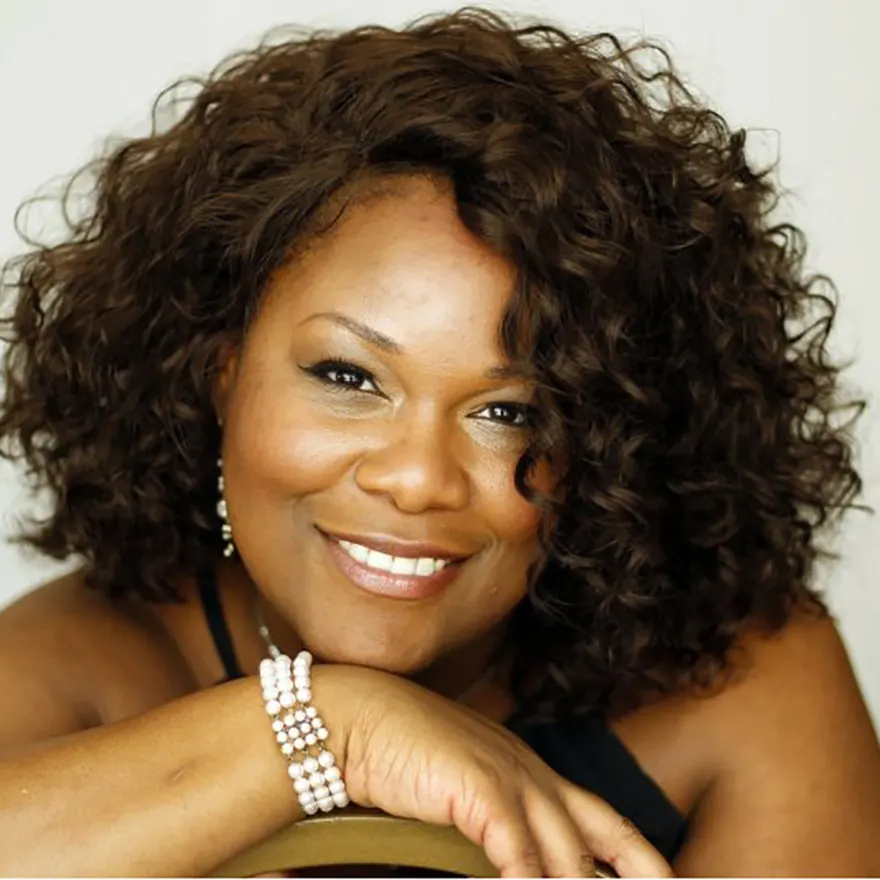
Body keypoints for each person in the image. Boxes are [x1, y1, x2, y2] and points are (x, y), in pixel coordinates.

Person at [0, 7, 878, 877]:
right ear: (219, 370)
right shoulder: (80, 665)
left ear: (611, 440)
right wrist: (336, 727)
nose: (419, 479)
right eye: (348, 377)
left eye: (511, 412)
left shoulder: (740, 686)